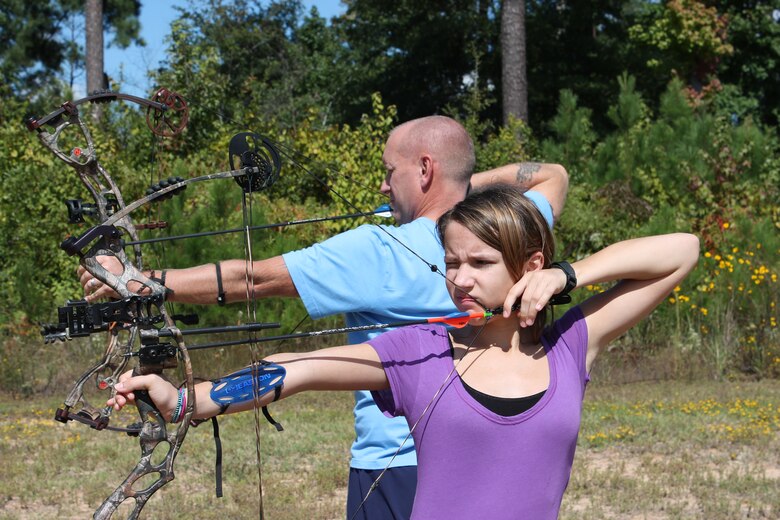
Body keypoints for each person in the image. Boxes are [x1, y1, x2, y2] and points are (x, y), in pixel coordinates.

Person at [106, 184, 700, 519]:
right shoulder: (422, 351)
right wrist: (185, 399)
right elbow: (298, 370)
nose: (459, 279)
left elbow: (682, 251)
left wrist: (570, 276)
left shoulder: (571, 344)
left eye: (480, 263)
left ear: (530, 265)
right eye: (451, 263)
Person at [80, 116, 569, 519]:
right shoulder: (507, 234)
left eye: (389, 171)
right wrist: (461, 190)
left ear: (424, 169)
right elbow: (555, 175)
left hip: (393, 468)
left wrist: (139, 278)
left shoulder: (383, 246)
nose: (382, 184)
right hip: (488, 456)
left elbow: (253, 279)